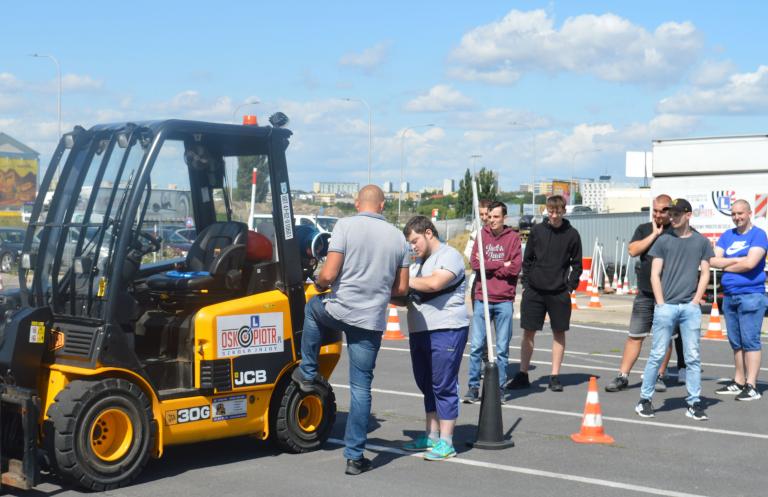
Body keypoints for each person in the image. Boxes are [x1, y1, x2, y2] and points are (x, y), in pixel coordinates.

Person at [292, 185, 409, 475]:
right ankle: (355, 458)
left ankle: (307, 372)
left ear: (358, 203)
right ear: (382, 205)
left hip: (339, 310)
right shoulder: (398, 238)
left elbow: (329, 273)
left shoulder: (345, 225)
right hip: (370, 321)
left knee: (312, 310)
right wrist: (379, 291)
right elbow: (402, 289)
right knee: (361, 388)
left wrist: (317, 284)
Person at [635, 198, 714, 421]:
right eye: (672, 214)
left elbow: (706, 273)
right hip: (666, 306)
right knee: (657, 354)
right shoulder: (663, 240)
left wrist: (696, 300)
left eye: (677, 214)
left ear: (688, 215)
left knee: (693, 357)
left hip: (689, 308)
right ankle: (644, 399)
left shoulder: (701, 242)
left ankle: (694, 402)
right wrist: (660, 303)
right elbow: (654, 274)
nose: (673, 217)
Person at [401, 216, 469, 460]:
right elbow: (404, 293)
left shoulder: (449, 255)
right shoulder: (417, 263)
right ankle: (431, 435)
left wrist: (403, 281)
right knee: (426, 384)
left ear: (429, 233)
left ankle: (447, 441)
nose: (413, 247)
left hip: (446, 329)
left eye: (415, 241)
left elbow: (434, 284)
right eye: (409, 243)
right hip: (420, 331)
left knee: (443, 384)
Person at [606, 194, 681, 393]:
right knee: (635, 336)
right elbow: (632, 250)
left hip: (668, 296)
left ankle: (659, 375)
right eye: (655, 211)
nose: (658, 215)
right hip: (645, 294)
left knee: (664, 338)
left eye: (662, 211)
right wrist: (654, 235)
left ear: (670, 210)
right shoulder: (644, 229)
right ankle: (623, 376)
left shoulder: (678, 231)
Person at [508, 195, 582, 392]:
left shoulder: (572, 234)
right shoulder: (538, 231)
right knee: (528, 332)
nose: (554, 215)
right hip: (534, 291)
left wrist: (570, 287)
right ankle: (523, 373)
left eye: (558, 212)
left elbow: (577, 264)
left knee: (559, 332)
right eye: (551, 211)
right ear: (546, 210)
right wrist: (526, 283)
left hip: (559, 292)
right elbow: (528, 258)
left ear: (564, 211)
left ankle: (555, 376)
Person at [462, 201, 522, 403]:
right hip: (483, 299)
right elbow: (475, 264)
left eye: (497, 217)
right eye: (490, 216)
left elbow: (514, 268)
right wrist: (499, 264)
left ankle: (500, 388)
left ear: (504, 217)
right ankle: (473, 387)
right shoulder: (482, 235)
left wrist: (490, 266)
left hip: (504, 299)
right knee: (477, 346)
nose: (492, 220)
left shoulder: (513, 238)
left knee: (502, 348)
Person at [709, 199, 768, 401]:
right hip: (730, 295)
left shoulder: (758, 235)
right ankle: (739, 381)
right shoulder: (727, 236)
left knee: (750, 341)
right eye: (733, 214)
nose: (736, 217)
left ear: (749, 213)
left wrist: (726, 264)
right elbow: (713, 260)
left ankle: (752, 385)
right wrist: (735, 261)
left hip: (751, 295)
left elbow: (751, 264)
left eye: (740, 213)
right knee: (736, 342)